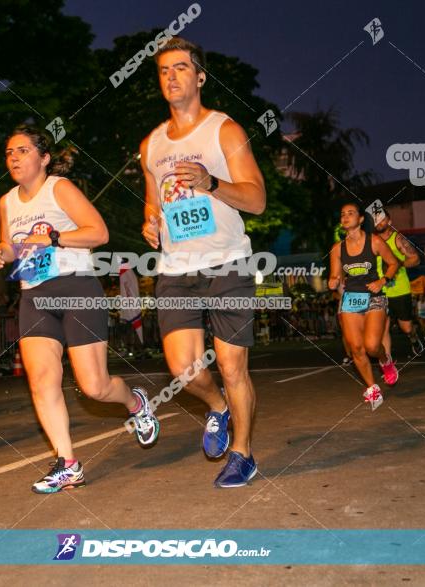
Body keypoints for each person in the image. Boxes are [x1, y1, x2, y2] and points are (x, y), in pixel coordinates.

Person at [0, 126, 159, 494]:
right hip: (34, 295)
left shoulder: (59, 188)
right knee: (41, 380)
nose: (13, 158)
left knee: (93, 386)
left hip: (77, 287)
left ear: (44, 158)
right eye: (9, 152)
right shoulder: (6, 202)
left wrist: (53, 237)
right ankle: (68, 463)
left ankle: (135, 401)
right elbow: (11, 245)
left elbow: (98, 233)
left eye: (22, 151)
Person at [139, 37, 266, 488]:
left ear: (200, 77)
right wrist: (151, 224)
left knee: (233, 366)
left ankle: (243, 453)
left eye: (180, 68)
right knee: (184, 370)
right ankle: (218, 407)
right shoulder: (151, 144)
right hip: (176, 268)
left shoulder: (224, 131)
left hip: (227, 263)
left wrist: (212, 182)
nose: (171, 76)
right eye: (163, 70)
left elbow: (256, 198)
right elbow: (153, 205)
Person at [329, 202, 399, 406]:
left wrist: (383, 281)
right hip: (351, 298)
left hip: (374, 297)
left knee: (371, 346)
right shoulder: (337, 249)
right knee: (356, 348)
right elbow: (334, 276)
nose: (345, 216)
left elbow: (394, 263)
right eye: (342, 214)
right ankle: (372, 387)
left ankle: (385, 360)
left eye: (350, 213)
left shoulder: (375, 241)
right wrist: (332, 281)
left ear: (360, 219)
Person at [373, 209, 423, 357]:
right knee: (382, 328)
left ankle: (413, 338)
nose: (379, 223)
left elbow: (415, 259)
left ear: (389, 222)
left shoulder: (398, 239)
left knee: (406, 327)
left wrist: (398, 264)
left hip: (400, 290)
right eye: (376, 220)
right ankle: (387, 362)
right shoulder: (372, 241)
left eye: (382, 219)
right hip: (380, 291)